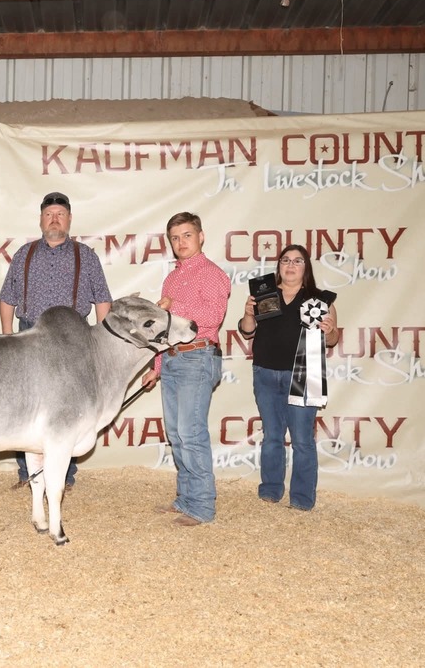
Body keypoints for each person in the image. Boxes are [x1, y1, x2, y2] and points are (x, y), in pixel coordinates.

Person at [0, 192, 112, 490]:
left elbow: (102, 299)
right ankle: (28, 473)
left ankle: (64, 474)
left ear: (69, 219)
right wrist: (8, 336)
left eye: (60, 214)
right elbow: (8, 297)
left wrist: (102, 343)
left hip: (72, 338)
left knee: (69, 406)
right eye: (49, 214)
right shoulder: (24, 254)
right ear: (40, 219)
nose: (54, 219)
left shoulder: (85, 255)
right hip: (28, 333)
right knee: (24, 404)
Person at [141, 211, 230, 526]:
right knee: (177, 434)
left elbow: (213, 316)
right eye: (175, 238)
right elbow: (166, 329)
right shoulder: (172, 277)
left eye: (187, 235)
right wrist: (157, 364)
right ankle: (186, 498)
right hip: (175, 358)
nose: (181, 242)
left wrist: (173, 306)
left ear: (201, 236)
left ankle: (203, 507)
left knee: (191, 433)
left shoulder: (213, 274)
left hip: (198, 356)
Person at [237, 244, 339, 511]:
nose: (290, 265)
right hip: (265, 372)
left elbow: (332, 339)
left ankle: (302, 498)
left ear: (306, 268)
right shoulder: (264, 294)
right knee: (272, 435)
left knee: (302, 439)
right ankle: (270, 490)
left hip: (304, 375)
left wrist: (329, 330)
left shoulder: (320, 300)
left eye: (297, 261)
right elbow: (247, 332)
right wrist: (248, 314)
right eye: (285, 260)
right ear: (279, 266)